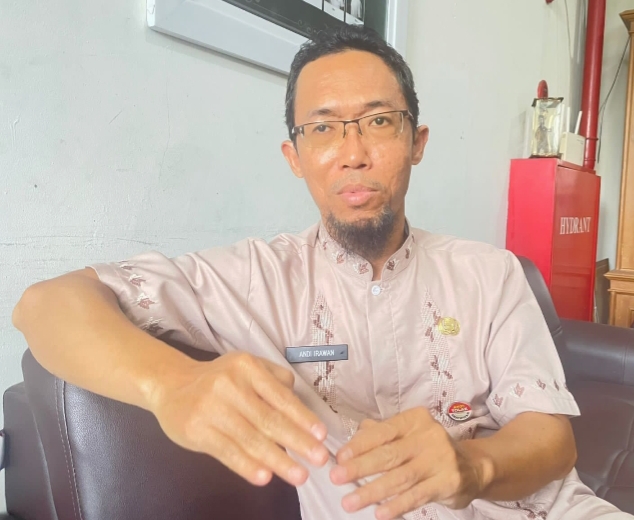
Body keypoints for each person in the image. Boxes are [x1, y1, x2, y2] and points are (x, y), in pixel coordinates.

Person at [12, 25, 633, 520]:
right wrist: (170, 386)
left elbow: (552, 438)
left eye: (378, 121)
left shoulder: (490, 272)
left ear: (417, 141)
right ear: (295, 155)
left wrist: (474, 467)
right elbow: (45, 304)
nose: (353, 153)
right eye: (323, 128)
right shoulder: (253, 282)